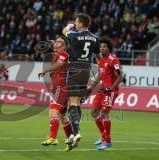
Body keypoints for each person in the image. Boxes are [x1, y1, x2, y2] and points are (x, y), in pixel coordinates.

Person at [62, 13, 100, 149]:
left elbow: (64, 32)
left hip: (74, 69)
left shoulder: (74, 35)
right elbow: (98, 54)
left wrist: (69, 26)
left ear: (81, 23)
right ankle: (74, 132)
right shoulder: (95, 38)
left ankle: (76, 132)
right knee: (77, 101)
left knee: (72, 100)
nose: (75, 24)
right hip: (86, 69)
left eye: (77, 22)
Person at [38, 37, 73, 147]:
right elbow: (56, 48)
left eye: (59, 42)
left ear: (64, 46)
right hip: (61, 87)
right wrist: (53, 42)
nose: (55, 44)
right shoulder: (59, 53)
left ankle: (52, 138)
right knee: (63, 117)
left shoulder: (64, 54)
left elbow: (59, 64)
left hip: (60, 86)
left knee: (53, 111)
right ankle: (71, 139)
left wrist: (46, 70)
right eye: (56, 42)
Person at [89, 37, 123, 150]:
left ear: (108, 48)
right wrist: (92, 87)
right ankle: (103, 136)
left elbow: (120, 77)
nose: (102, 48)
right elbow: (100, 75)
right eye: (101, 47)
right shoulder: (100, 60)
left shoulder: (113, 60)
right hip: (102, 89)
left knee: (104, 113)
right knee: (93, 112)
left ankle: (108, 141)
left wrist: (111, 88)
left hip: (111, 91)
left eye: (104, 47)